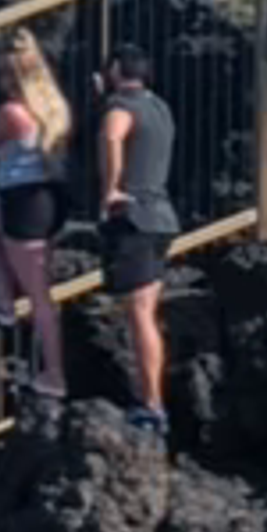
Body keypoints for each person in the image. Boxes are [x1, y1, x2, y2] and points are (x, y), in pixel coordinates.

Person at [0, 32, 73, 399]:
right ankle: (5, 301)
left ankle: (54, 374)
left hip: (23, 206)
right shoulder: (52, 107)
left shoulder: (10, 113)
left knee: (40, 297)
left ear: (12, 77)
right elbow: (13, 136)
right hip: (49, 199)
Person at [89, 48, 183, 425]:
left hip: (136, 218)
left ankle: (152, 404)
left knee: (140, 313)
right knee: (146, 310)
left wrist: (110, 189)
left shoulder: (120, 107)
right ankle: (151, 399)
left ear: (114, 71)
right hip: (162, 217)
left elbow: (113, 136)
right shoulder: (159, 107)